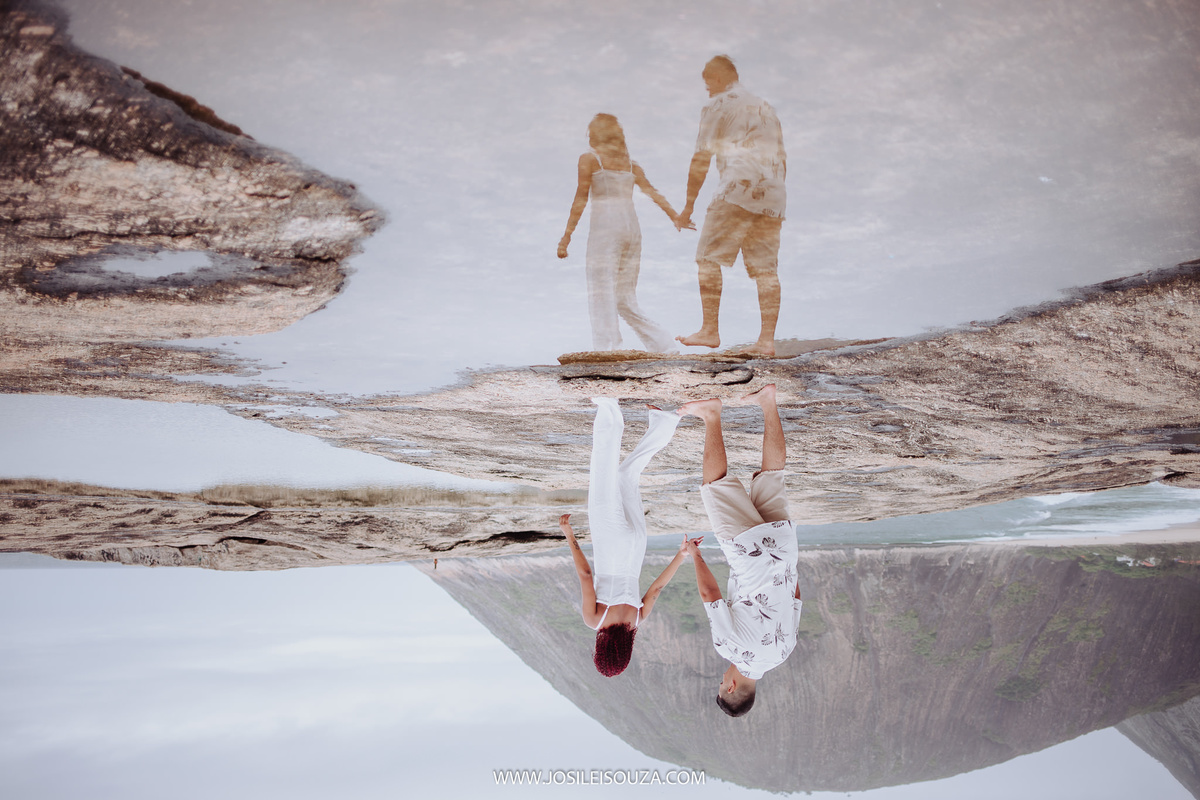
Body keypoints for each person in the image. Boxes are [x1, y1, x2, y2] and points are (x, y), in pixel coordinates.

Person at [678, 385, 802, 716]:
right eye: (722, 683)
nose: (722, 678)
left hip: (785, 553)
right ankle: (711, 414)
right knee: (714, 486)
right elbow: (710, 596)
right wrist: (695, 554)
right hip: (749, 555)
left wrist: (784, 563)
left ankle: (768, 401)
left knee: (772, 477)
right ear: (731, 687)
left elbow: (796, 595)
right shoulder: (731, 650)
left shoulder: (784, 652)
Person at [560, 397, 687, 676]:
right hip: (612, 541)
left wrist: (682, 555)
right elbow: (584, 574)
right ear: (602, 649)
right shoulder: (594, 620)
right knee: (603, 473)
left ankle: (664, 424)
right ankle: (609, 407)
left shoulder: (637, 620)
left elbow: (656, 589)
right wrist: (569, 533)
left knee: (627, 475)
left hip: (636, 545)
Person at [675, 55, 787, 358]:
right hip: (773, 195)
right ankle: (766, 342)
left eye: (708, 83)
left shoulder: (719, 104)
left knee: (707, 258)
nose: (707, 90)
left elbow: (701, 157)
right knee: (766, 271)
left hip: (737, 189)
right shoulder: (766, 106)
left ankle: (709, 330)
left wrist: (688, 207)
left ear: (719, 77)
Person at [558, 114, 684, 353]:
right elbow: (653, 193)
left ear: (595, 134)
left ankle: (608, 350)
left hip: (606, 229)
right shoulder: (631, 164)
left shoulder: (590, 159)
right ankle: (664, 346)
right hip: (632, 230)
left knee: (601, 291)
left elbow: (581, 197)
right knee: (625, 298)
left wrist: (567, 236)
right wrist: (674, 216)